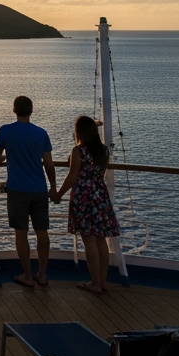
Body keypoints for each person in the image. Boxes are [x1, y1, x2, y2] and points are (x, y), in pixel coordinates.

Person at [0, 95, 55, 288]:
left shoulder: (5, 131)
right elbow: (48, 164)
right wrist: (53, 187)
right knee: (42, 232)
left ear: (14, 110)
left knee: (21, 233)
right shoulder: (41, 133)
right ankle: (42, 275)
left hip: (17, 189)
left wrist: (7, 157)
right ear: (31, 111)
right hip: (39, 189)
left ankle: (27, 276)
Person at [53, 115, 120, 294]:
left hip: (83, 197)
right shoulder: (103, 150)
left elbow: (72, 176)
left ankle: (94, 283)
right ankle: (103, 282)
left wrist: (58, 194)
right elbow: (100, 173)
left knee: (89, 239)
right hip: (100, 195)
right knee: (100, 239)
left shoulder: (78, 151)